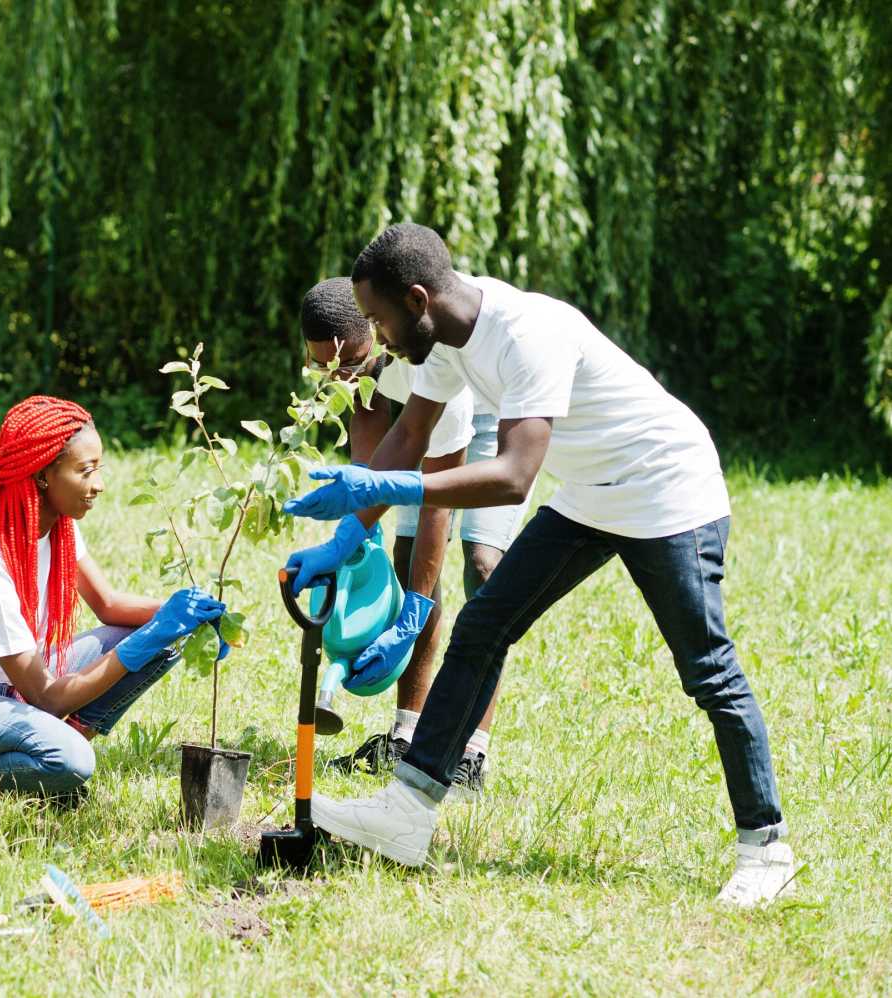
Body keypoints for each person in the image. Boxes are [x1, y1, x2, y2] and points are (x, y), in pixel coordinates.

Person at [282, 223, 796, 906]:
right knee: (485, 623)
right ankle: (409, 809)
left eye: (378, 319)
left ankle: (766, 849)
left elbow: (516, 476)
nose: (378, 338)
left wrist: (391, 488)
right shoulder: (443, 337)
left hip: (668, 491)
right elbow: (409, 436)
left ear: (416, 299)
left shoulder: (527, 333)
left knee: (707, 669)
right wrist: (343, 543)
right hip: (591, 493)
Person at [0, 396, 229, 816]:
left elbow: (108, 606)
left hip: (10, 687)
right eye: (85, 470)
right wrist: (143, 641)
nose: (99, 484)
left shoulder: (58, 529)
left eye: (98, 468)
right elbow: (47, 698)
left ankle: (48, 754)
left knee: (162, 640)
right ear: (41, 477)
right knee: (71, 760)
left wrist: (183, 614)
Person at [299, 277, 531, 790]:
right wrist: (362, 534)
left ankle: (472, 750)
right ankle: (406, 734)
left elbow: (437, 504)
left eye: (350, 361)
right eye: (324, 366)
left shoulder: (424, 354)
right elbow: (369, 436)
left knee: (481, 564)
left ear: (374, 327)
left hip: (492, 419)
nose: (339, 375)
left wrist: (412, 612)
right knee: (405, 560)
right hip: (418, 424)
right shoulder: (345, 362)